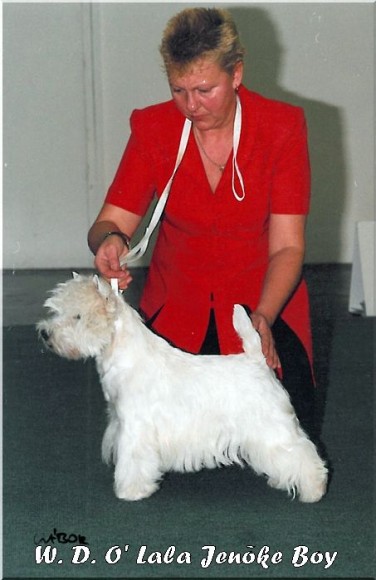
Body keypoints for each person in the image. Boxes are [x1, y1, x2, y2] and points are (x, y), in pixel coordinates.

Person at [88, 7, 317, 439]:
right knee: (167, 440)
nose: (191, 106)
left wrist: (262, 319)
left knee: (283, 435)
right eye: (179, 90)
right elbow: (108, 222)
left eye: (204, 89)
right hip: (179, 310)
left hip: (263, 302)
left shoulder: (282, 127)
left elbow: (288, 247)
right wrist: (110, 240)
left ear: (236, 74)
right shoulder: (152, 127)